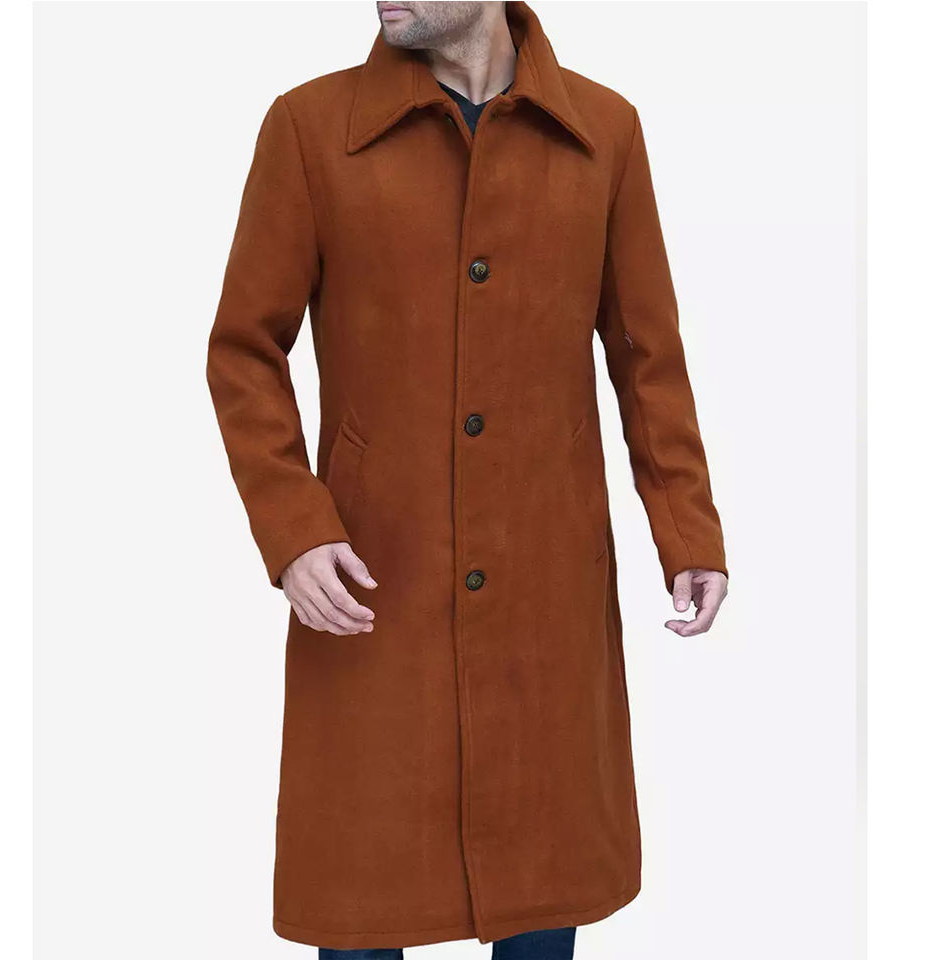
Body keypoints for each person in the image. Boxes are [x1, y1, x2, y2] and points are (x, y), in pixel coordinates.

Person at [207, 2, 729, 958]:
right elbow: (244, 351)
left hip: (545, 607)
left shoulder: (605, 133)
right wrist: (294, 528)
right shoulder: (310, 128)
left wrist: (686, 531)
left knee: (541, 900)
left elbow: (647, 357)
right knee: (361, 903)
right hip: (373, 592)